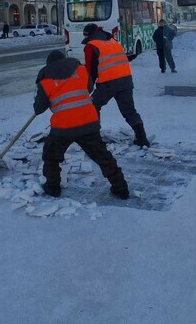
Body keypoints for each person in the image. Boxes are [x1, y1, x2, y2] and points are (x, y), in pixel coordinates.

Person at [33, 49, 129, 199]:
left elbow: (38, 108)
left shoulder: (45, 81)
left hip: (63, 128)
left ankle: (53, 187)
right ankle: (120, 187)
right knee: (102, 156)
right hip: (88, 122)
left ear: (49, 65)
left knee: (51, 156)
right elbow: (89, 88)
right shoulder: (80, 70)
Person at [81, 23, 150, 147]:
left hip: (108, 82)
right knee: (129, 111)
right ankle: (142, 138)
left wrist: (86, 89)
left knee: (93, 105)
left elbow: (91, 72)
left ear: (89, 35)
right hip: (126, 80)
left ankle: (95, 138)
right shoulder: (112, 41)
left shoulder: (91, 46)